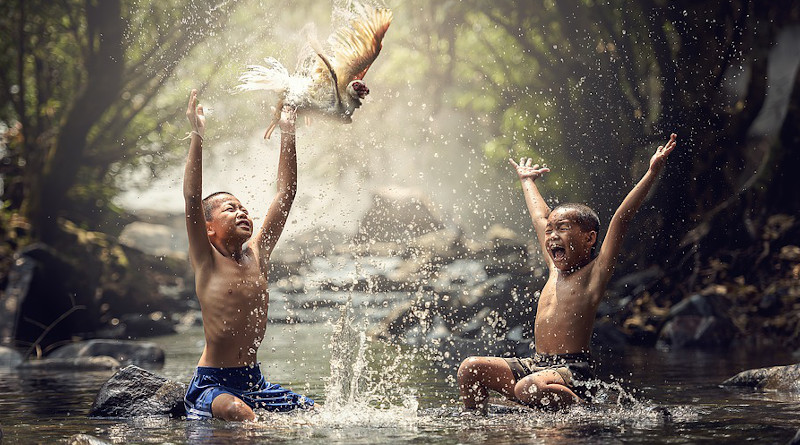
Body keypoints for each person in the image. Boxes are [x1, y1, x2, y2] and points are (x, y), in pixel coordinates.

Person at [457, 134, 678, 413]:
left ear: (589, 239)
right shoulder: (554, 268)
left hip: (572, 370)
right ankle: (478, 425)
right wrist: (527, 181)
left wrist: (651, 173)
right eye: (550, 231)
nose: (551, 236)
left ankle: (586, 411)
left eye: (562, 229)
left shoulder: (594, 273)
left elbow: (621, 217)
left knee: (526, 387)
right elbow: (540, 217)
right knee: (470, 368)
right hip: (537, 365)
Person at [181, 89, 313, 421]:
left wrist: (287, 130)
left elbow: (286, 192)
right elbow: (192, 196)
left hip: (255, 380)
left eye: (244, 208)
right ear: (208, 227)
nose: (243, 213)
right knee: (238, 412)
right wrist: (197, 135)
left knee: (314, 414)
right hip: (213, 383)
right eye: (230, 209)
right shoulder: (206, 262)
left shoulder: (258, 254)